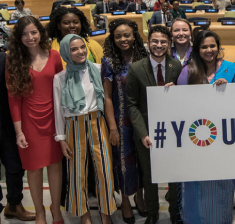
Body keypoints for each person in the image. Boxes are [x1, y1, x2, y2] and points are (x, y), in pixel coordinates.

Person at [177, 30, 235, 224]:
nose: (209, 50)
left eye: (212, 46)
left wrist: (227, 90)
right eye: (204, 46)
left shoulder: (231, 68)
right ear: (197, 49)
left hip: (224, 138)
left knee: (222, 179)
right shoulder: (188, 70)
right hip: (197, 136)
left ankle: (221, 218)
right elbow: (178, 104)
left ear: (218, 48)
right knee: (197, 179)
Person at [6, 17, 64, 224]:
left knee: (55, 165)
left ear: (40, 32)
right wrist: (19, 132)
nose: (29, 37)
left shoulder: (55, 56)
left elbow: (62, 90)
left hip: (54, 120)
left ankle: (55, 209)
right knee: (34, 168)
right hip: (29, 122)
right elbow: (14, 99)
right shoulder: (13, 60)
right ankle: (40, 212)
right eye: (24, 34)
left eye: (33, 32)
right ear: (18, 38)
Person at [53, 34, 116, 224]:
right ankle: (84, 214)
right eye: (74, 49)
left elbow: (106, 99)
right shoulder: (60, 78)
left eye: (82, 47)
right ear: (66, 52)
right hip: (74, 125)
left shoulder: (98, 69)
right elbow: (58, 110)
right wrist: (61, 138)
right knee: (77, 172)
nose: (80, 51)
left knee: (104, 169)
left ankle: (106, 213)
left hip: (98, 122)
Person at [126, 26, 182, 224]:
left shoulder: (177, 67)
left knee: (174, 175)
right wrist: (142, 133)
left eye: (163, 42)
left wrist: (178, 92)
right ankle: (152, 213)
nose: (159, 46)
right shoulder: (136, 68)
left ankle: (175, 212)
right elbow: (131, 104)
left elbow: (185, 101)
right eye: (155, 42)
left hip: (174, 132)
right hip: (146, 133)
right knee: (150, 175)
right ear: (148, 43)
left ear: (169, 44)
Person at [101, 19, 148, 223]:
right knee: (124, 162)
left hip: (143, 119)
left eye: (127, 35)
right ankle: (126, 199)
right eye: (118, 36)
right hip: (121, 121)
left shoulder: (144, 58)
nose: (123, 39)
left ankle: (140, 195)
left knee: (143, 160)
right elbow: (107, 97)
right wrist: (112, 127)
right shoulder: (109, 61)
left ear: (134, 36)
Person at [1, 51, 36, 221]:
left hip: (7, 124)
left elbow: (14, 94)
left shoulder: (5, 59)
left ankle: (14, 205)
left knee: (14, 167)